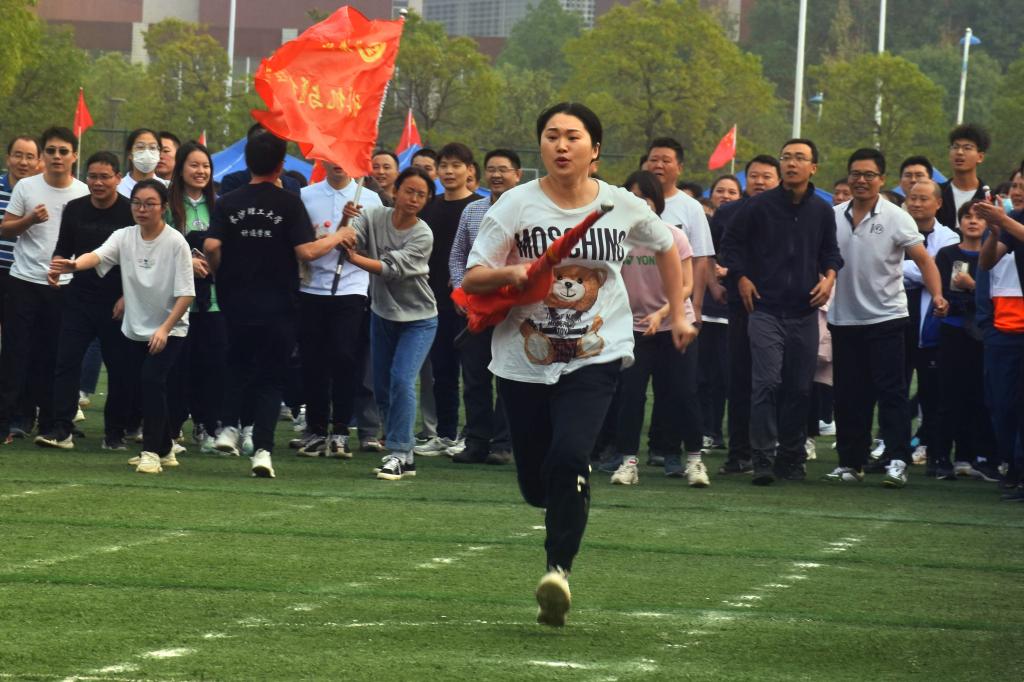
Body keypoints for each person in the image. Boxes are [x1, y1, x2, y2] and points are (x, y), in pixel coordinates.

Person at [462, 103, 688, 627]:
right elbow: (473, 276)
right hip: (523, 359)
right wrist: (512, 273)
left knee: (569, 456)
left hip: (596, 354)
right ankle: (558, 497)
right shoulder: (515, 205)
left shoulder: (620, 205)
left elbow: (667, 247)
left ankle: (557, 573)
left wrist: (677, 312)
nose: (561, 146)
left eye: (573, 136)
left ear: (595, 149)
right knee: (537, 484)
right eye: (551, 136)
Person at [204, 132, 348, 478]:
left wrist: (221, 271)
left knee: (236, 365)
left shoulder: (228, 201)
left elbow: (210, 246)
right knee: (270, 379)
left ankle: (228, 428)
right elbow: (306, 252)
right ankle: (263, 452)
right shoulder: (289, 203)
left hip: (235, 301)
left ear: (248, 161)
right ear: (281, 165)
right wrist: (339, 236)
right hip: (279, 305)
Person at [49, 179, 195, 473]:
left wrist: (164, 329)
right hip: (135, 328)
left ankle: (151, 452)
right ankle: (165, 448)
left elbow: (186, 294)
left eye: (150, 204)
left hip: (170, 329)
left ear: (163, 207)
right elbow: (98, 255)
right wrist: (74, 265)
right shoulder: (124, 236)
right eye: (137, 203)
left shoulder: (176, 242)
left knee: (152, 381)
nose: (142, 209)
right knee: (143, 384)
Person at [720, 139, 843, 484]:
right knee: (766, 383)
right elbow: (729, 245)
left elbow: (831, 253)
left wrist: (829, 277)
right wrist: (741, 277)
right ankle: (762, 458)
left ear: (813, 167)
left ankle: (791, 458)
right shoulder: (757, 206)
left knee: (800, 388)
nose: (791, 163)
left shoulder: (822, 211)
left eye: (799, 158)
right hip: (764, 310)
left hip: (804, 312)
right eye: (786, 157)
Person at [825, 148, 948, 487]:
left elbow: (924, 261)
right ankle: (851, 462)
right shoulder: (831, 216)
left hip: (887, 318)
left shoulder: (897, 217)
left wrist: (938, 295)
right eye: (855, 174)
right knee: (848, 395)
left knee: (891, 392)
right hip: (844, 319)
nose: (861, 180)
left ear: (881, 179)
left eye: (869, 175)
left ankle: (897, 460)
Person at [337, 167, 437, 481]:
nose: (414, 198)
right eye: (409, 191)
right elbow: (349, 240)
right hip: (382, 314)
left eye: (421, 194)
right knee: (381, 388)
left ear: (427, 200)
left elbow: (390, 269)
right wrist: (345, 222)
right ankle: (406, 456)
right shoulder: (375, 215)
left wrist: (354, 259)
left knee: (402, 380)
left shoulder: (423, 234)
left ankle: (397, 452)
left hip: (419, 319)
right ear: (396, 191)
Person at [34, 151, 135, 451]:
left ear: (118, 178)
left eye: (105, 177)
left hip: (117, 302)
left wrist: (126, 296)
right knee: (66, 363)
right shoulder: (75, 208)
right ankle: (61, 429)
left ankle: (114, 433)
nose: (98, 183)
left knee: (120, 368)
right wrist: (55, 267)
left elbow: (135, 260)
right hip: (79, 298)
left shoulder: (129, 212)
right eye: (92, 176)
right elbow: (63, 247)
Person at [607, 170, 701, 486]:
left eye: (645, 198)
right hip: (633, 329)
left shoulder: (673, 236)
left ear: (656, 203)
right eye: (632, 198)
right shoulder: (616, 239)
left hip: (674, 324)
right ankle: (628, 462)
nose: (639, 204)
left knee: (681, 393)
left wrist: (662, 314)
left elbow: (686, 286)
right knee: (630, 395)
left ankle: (692, 460)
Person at [0, 127, 90, 443]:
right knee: (16, 352)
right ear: (43, 156)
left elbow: (88, 240)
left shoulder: (82, 192)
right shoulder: (27, 187)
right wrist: (29, 220)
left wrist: (73, 267)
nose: (56, 157)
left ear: (74, 156)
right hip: (23, 281)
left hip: (64, 285)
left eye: (63, 151)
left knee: (55, 355)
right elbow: (5, 229)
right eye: (50, 151)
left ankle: (53, 421)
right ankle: (12, 419)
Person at [295, 161, 383, 457]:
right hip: (311, 287)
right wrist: (331, 233)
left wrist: (353, 237)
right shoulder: (306, 195)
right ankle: (316, 428)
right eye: (332, 159)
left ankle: (342, 428)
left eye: (344, 160)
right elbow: (300, 242)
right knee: (313, 361)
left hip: (351, 288)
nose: (338, 165)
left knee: (345, 357)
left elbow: (375, 246)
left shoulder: (370, 198)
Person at [448, 148, 523, 465]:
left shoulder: (528, 211)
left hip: (513, 310)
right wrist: (460, 291)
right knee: (474, 377)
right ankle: (476, 441)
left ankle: (503, 444)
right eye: (491, 169)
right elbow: (457, 256)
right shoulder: (473, 210)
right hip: (476, 308)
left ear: (517, 175)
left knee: (508, 377)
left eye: (503, 169)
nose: (496, 175)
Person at [713, 154, 781, 474]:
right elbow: (713, 254)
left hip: (781, 307)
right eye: (754, 176)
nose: (760, 182)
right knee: (739, 379)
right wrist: (718, 280)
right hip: (740, 307)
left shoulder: (789, 213)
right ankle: (739, 453)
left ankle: (774, 449)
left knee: (774, 381)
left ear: (778, 180)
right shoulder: (728, 213)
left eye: (767, 176)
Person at [414, 142, 482, 457]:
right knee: (442, 372)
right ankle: (444, 433)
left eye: (456, 165)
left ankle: (474, 435)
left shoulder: (480, 207)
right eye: (444, 166)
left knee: (475, 373)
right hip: (432, 300)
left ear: (470, 170)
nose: (449, 171)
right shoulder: (429, 207)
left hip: (471, 302)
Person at [931, 201, 998, 481]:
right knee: (949, 395)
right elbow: (942, 292)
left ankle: (971, 456)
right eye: (967, 216)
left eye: (979, 217)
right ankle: (940, 457)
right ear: (959, 223)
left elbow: (993, 295)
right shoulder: (947, 254)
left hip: (984, 332)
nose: (972, 221)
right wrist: (952, 300)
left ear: (988, 223)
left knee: (980, 396)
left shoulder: (995, 253)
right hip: (953, 331)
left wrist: (972, 287)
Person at [165, 141, 224, 453]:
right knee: (178, 367)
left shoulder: (220, 205)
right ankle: (172, 427)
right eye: (194, 165)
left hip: (213, 301)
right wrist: (187, 261)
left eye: (206, 166)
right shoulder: (167, 206)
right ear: (181, 169)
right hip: (177, 301)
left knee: (211, 367)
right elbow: (156, 244)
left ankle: (207, 425)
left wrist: (214, 263)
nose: (201, 171)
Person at [902, 179, 959, 463]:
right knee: (894, 390)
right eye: (912, 198)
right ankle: (892, 448)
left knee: (931, 391)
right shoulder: (896, 229)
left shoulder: (950, 237)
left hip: (931, 325)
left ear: (938, 203)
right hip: (896, 322)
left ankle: (931, 448)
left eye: (923, 199)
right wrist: (925, 267)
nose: (916, 203)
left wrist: (903, 268)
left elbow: (940, 272)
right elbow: (885, 268)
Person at [0, 135, 42, 438]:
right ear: (8, 158)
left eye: (29, 156)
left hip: (22, 278)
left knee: (19, 348)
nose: (23, 162)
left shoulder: (39, 192)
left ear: (38, 161)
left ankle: (21, 413)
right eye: (18, 155)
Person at [699, 174, 742, 451]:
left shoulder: (745, 223)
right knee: (702, 376)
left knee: (726, 377)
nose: (725, 195)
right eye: (720, 190)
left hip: (732, 313)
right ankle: (706, 430)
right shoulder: (703, 225)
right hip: (704, 310)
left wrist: (731, 271)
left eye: (732, 192)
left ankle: (722, 431)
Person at [937, 123, 990, 231]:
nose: (959, 152)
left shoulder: (988, 197)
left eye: (967, 148)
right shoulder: (937, 193)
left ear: (980, 157)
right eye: (955, 147)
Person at [117, 129, 169, 198]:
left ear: (159, 153)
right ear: (130, 154)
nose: (147, 153)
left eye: (152, 147)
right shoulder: (117, 188)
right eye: (140, 147)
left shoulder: (167, 188)